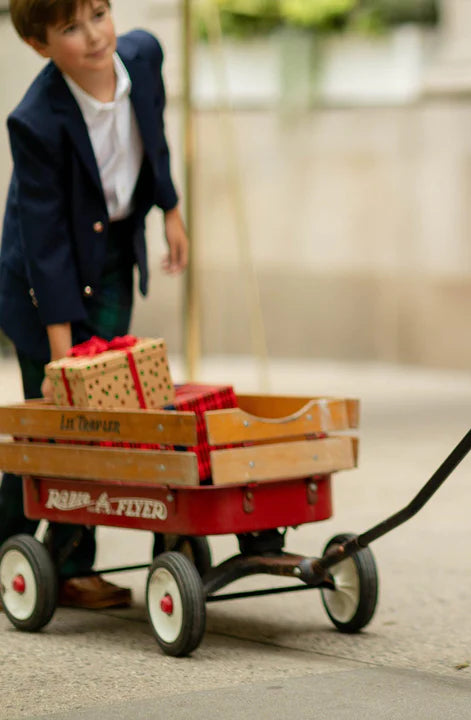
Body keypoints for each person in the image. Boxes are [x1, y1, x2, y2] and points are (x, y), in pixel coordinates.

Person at [0, 0, 188, 609]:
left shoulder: (142, 55)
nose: (94, 36)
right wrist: (63, 352)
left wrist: (171, 211)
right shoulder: (35, 118)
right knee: (57, 428)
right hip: (40, 285)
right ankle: (16, 548)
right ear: (39, 45)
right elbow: (44, 240)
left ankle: (67, 558)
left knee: (107, 420)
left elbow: (152, 132)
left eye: (99, 14)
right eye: (70, 28)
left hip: (109, 259)